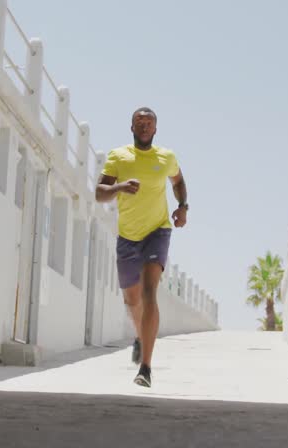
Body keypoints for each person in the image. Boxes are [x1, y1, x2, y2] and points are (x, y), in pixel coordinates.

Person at [95, 106, 188, 388]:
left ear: (156, 129)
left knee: (149, 293)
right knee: (132, 300)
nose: (145, 126)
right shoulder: (118, 156)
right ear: (132, 127)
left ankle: (145, 367)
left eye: (149, 122)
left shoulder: (166, 157)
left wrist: (182, 207)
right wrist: (120, 187)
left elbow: (178, 181)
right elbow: (99, 193)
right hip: (128, 237)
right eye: (140, 122)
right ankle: (140, 336)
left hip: (157, 231)